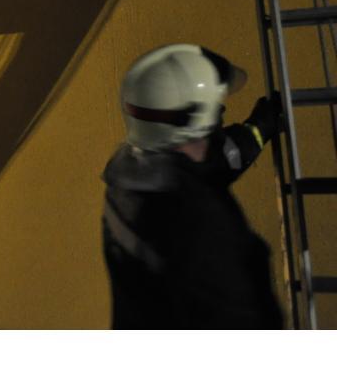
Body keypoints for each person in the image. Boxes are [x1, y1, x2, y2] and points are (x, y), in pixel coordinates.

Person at [101, 43, 285, 328]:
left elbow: (215, 161)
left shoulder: (129, 181)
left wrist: (259, 128)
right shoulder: (197, 219)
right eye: (217, 111)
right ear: (201, 122)